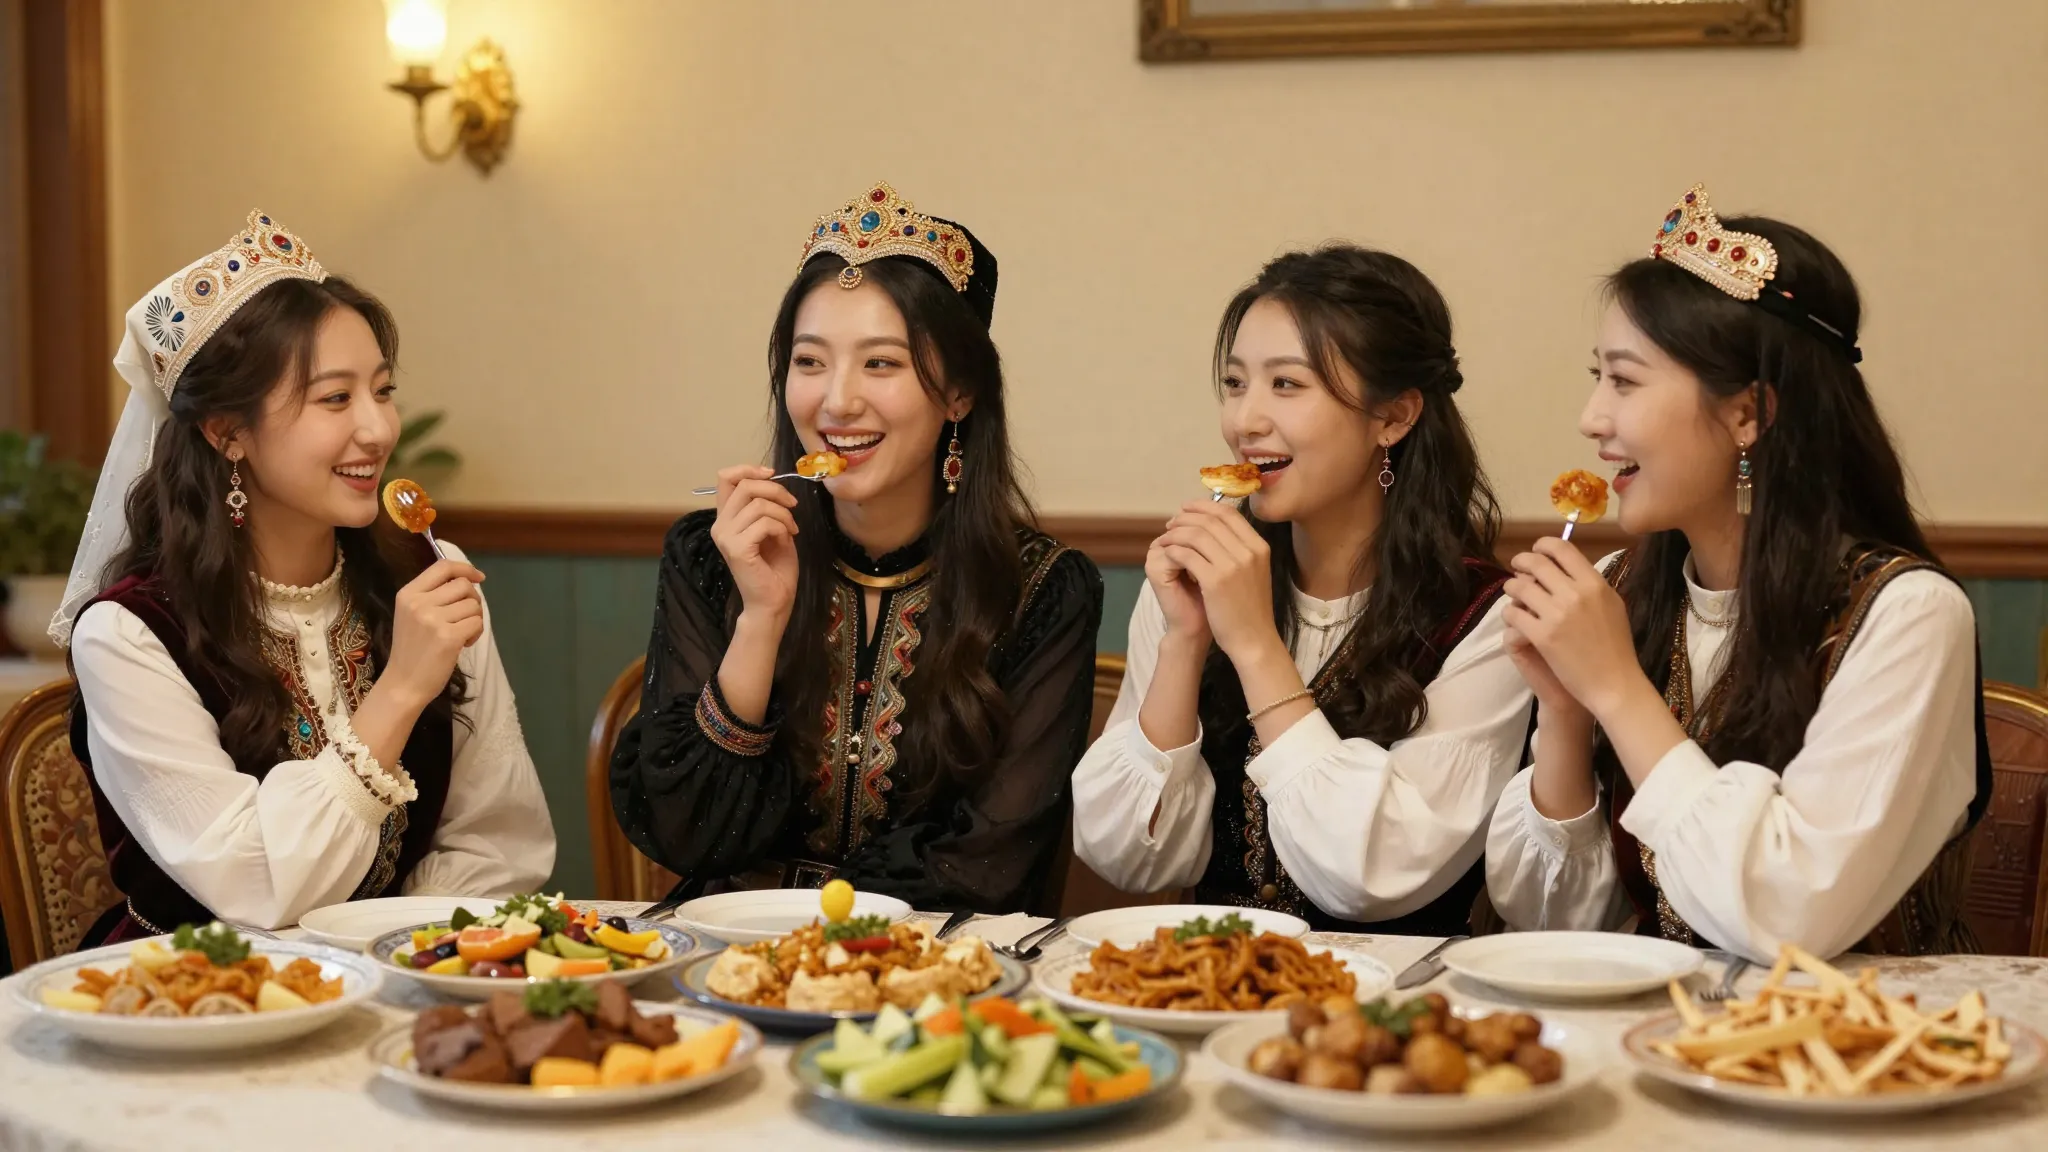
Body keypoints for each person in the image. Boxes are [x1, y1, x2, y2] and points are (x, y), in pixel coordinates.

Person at [1485, 186, 1991, 960]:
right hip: (1659, 1038)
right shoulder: (1624, 584)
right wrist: (1565, 708)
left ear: (1749, 414)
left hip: (1860, 1052)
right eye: (1598, 377)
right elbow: (1551, 928)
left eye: (1624, 381)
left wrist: (1618, 689)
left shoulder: (1908, 615)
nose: (1592, 418)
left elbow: (1793, 918)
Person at [56, 210, 555, 942]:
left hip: (406, 971)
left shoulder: (427, 576)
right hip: (197, 996)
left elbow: (500, 839)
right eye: (334, 398)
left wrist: (408, 952)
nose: (379, 429)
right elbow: (254, 887)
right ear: (227, 432)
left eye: (382, 391)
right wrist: (402, 690)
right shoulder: (130, 634)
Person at [610, 183, 1103, 913]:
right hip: (731, 962)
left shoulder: (1040, 591)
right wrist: (759, 620)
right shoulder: (713, 558)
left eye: (881, 364)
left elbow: (990, 861)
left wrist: (811, 921)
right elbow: (687, 834)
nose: (836, 402)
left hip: (931, 979)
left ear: (959, 392)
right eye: (810, 363)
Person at [1073, 245, 1533, 935]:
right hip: (1204, 994)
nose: (1245, 421)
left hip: (1390, 1014)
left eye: (1286, 385)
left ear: (1395, 417)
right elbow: (1130, 859)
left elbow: (1370, 877)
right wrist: (1185, 641)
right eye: (1234, 384)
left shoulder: (1487, 622)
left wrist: (1255, 644)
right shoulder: (1196, 580)